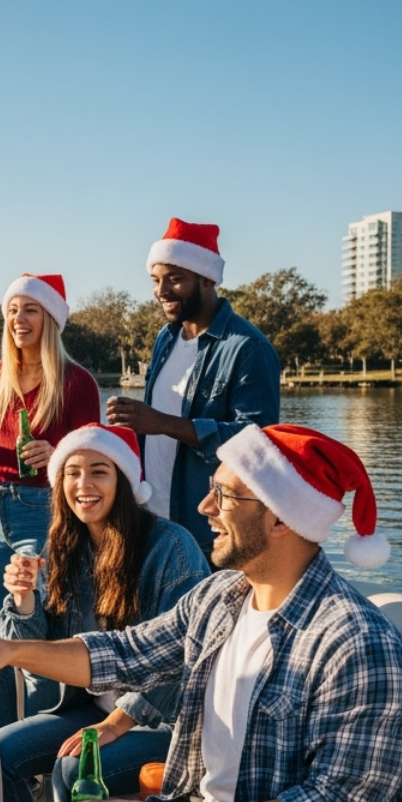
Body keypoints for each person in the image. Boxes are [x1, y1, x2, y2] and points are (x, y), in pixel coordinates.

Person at [0, 423, 402, 802]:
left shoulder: (358, 645)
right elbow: (124, 653)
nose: (204, 507)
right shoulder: (223, 598)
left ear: (282, 517)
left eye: (224, 494)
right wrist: (8, 648)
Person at [0, 424, 206, 802]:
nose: (84, 484)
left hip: (164, 718)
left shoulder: (170, 547)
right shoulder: (64, 545)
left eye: (98, 472)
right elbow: (42, 658)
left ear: (125, 482)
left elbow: (187, 660)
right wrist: (22, 601)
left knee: (72, 767)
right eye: (72, 473)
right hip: (86, 708)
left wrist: (117, 720)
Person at [0, 274, 99, 727]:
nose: (19, 319)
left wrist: (58, 455)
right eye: (13, 310)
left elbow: (96, 464)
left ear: (50, 319)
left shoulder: (78, 383)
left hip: (44, 513)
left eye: (31, 310)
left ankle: (41, 761)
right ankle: (2, 757)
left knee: (38, 647)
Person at [105, 218, 280, 560]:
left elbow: (257, 441)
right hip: (148, 518)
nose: (161, 290)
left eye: (175, 279)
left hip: (204, 527)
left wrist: (162, 423)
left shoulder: (247, 347)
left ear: (207, 278)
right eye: (156, 280)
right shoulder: (166, 338)